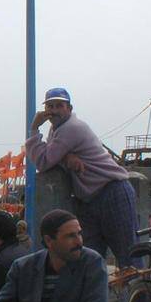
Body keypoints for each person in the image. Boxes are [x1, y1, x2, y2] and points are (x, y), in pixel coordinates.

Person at [26, 87, 138, 268]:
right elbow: (52, 156)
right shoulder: (57, 130)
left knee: (129, 258)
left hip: (112, 192)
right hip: (90, 200)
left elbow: (43, 161)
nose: (53, 111)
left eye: (59, 106)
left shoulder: (71, 128)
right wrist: (65, 157)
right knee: (88, 261)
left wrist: (33, 128)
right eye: (50, 106)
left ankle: (142, 295)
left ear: (69, 109)